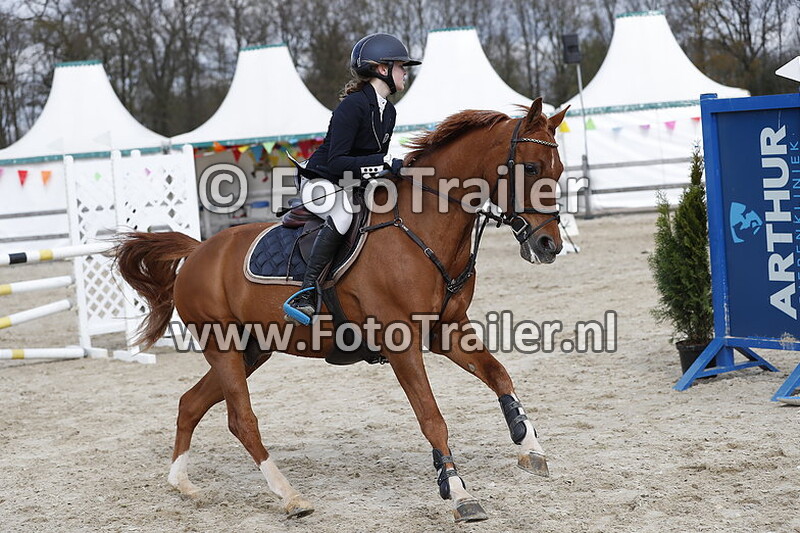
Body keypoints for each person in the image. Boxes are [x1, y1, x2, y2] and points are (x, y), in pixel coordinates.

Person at [283, 33, 421, 325]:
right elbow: (338, 161)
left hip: (351, 183)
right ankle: (306, 292)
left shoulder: (389, 111)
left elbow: (371, 163)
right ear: (382, 69)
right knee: (344, 215)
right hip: (321, 182)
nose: (405, 72)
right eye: (401, 67)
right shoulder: (353, 106)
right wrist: (383, 163)